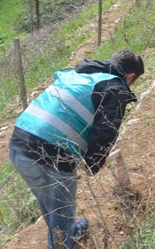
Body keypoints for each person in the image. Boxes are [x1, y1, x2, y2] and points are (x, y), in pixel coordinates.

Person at [9, 50, 144, 248]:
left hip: (19, 143)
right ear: (130, 77)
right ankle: (63, 241)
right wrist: (93, 163)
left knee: (49, 203)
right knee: (61, 213)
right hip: (51, 153)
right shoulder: (115, 88)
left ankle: (69, 233)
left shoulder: (79, 73)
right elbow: (105, 131)